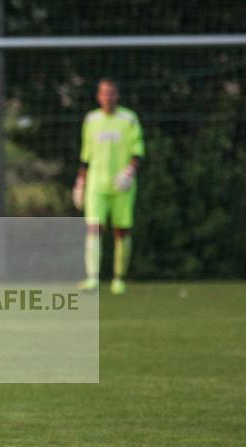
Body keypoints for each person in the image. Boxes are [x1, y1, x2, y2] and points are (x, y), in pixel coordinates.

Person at [73, 78, 144, 294]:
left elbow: (138, 151)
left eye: (111, 93)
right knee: (94, 228)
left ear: (117, 96)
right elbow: (86, 154)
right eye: (104, 93)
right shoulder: (92, 120)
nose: (108, 97)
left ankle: (118, 278)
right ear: (98, 96)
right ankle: (92, 278)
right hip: (97, 183)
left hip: (122, 185)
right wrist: (80, 182)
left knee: (121, 230)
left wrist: (129, 172)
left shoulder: (128, 119)